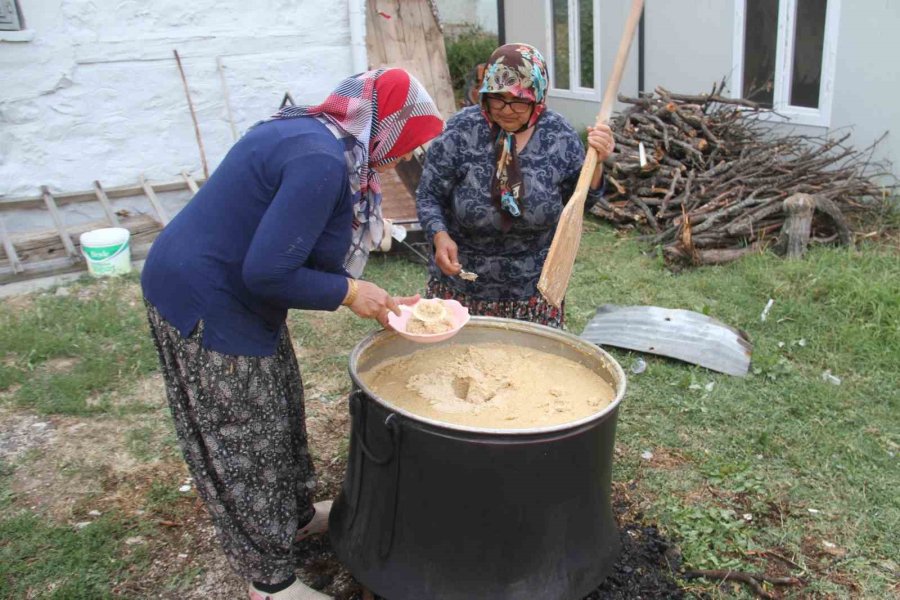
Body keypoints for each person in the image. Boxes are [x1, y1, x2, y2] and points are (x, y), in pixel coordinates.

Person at [141, 68, 443, 600]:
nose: (399, 160)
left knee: (279, 405)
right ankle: (271, 582)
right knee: (245, 436)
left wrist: (369, 295)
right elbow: (268, 272)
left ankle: (298, 517)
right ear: (385, 127)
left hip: (237, 290)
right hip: (208, 298)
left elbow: (283, 253)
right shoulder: (320, 162)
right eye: (403, 146)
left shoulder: (317, 133)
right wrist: (350, 293)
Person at [416, 43, 615, 328]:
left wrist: (597, 162)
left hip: (534, 293)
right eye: (497, 99)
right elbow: (428, 195)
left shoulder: (558, 135)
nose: (506, 110)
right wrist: (439, 236)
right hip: (461, 289)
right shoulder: (461, 131)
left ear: (539, 98)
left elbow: (581, 201)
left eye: (519, 101)